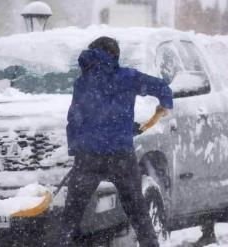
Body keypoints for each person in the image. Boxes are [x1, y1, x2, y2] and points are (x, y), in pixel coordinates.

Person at [59, 36, 173, 246]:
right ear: (114, 56)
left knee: (71, 215)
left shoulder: (83, 82)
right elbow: (163, 88)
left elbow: (75, 118)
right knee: (137, 210)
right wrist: (163, 106)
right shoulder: (127, 77)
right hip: (120, 155)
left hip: (88, 157)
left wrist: (77, 151)